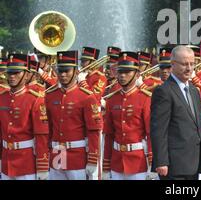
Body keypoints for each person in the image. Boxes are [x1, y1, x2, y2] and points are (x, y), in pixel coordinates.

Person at [150, 45, 201, 180]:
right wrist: (161, 161)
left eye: (192, 64)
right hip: (174, 164)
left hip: (194, 161)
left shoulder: (194, 91)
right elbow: (159, 129)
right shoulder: (164, 91)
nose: (189, 68)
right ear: (172, 64)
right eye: (184, 64)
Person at [45, 50, 103, 180]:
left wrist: (93, 159)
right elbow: (49, 128)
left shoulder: (86, 97)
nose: (63, 74)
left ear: (76, 72)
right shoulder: (50, 95)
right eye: (60, 71)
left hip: (77, 156)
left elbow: (93, 130)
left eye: (67, 71)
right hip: (56, 153)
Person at [102, 52, 153, 180]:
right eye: (120, 72)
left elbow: (150, 133)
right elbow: (109, 134)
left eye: (127, 72)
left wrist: (152, 163)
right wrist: (106, 165)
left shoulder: (145, 98)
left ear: (137, 74)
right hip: (116, 160)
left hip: (138, 160)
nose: (122, 75)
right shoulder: (112, 99)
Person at [0, 53, 49, 180]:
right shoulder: (2, 97)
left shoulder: (35, 99)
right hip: (6, 162)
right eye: (10, 73)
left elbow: (41, 135)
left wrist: (42, 166)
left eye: (16, 73)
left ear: (26, 75)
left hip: (26, 163)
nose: (12, 76)